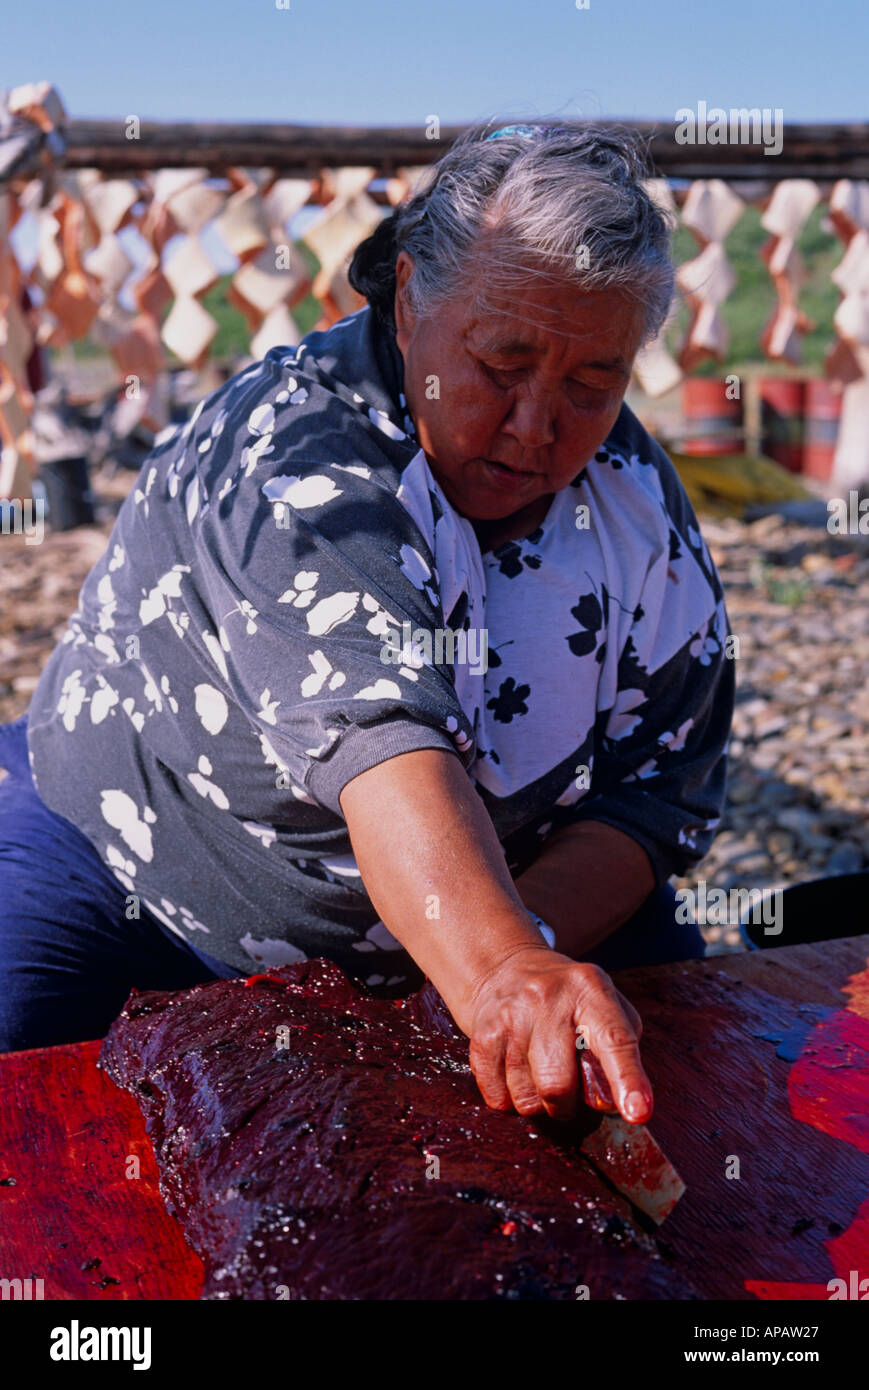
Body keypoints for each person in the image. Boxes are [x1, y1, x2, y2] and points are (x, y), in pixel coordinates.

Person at [0, 121, 733, 1129]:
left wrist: (514, 955)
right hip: (144, 871)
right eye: (499, 363)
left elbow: (658, 791)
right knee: (32, 1121)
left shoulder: (629, 495)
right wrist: (500, 967)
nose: (533, 425)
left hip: (507, 900)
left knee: (702, 1110)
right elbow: (381, 746)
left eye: (588, 383)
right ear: (405, 299)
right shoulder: (294, 450)